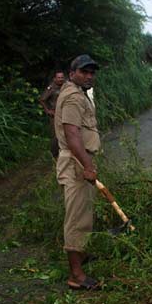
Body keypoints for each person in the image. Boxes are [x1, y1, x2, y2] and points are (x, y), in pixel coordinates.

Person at [55, 55, 101, 290]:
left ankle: (80, 255)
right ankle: (76, 275)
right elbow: (72, 135)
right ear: (72, 73)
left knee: (84, 212)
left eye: (92, 72)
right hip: (76, 163)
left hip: (80, 161)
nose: (89, 76)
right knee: (76, 218)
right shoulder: (73, 96)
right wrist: (88, 166)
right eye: (84, 72)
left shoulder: (78, 92)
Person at [39, 70, 65, 159]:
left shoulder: (65, 86)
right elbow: (42, 99)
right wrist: (48, 110)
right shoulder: (51, 88)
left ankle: (63, 152)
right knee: (55, 135)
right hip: (54, 115)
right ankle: (55, 155)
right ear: (54, 79)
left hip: (64, 113)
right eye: (59, 77)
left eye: (62, 77)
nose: (61, 79)